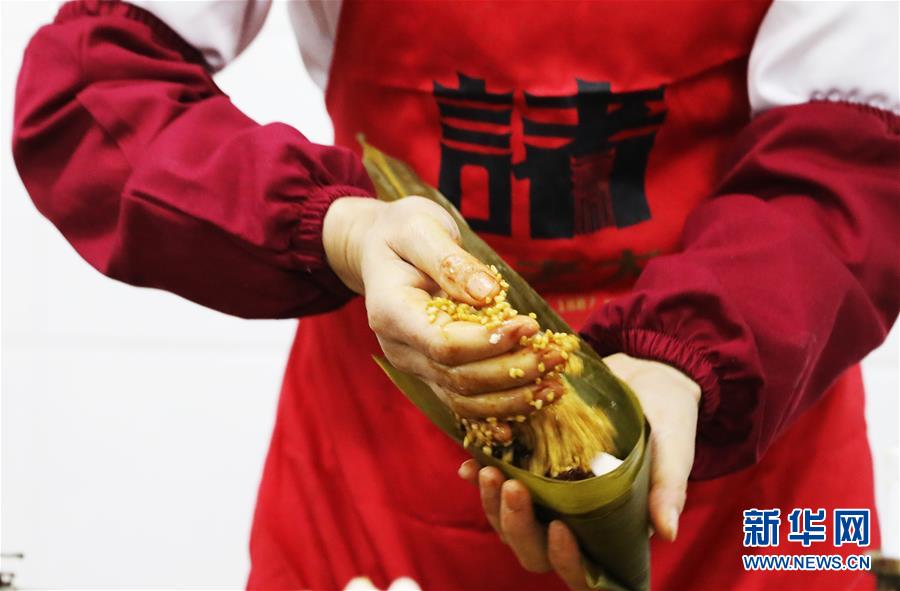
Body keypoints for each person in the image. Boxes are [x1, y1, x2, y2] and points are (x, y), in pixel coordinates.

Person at [12, 1, 899, 589]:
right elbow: (93, 88)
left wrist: (687, 358)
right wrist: (345, 229)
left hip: (752, 422)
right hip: (393, 462)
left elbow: (857, 154)